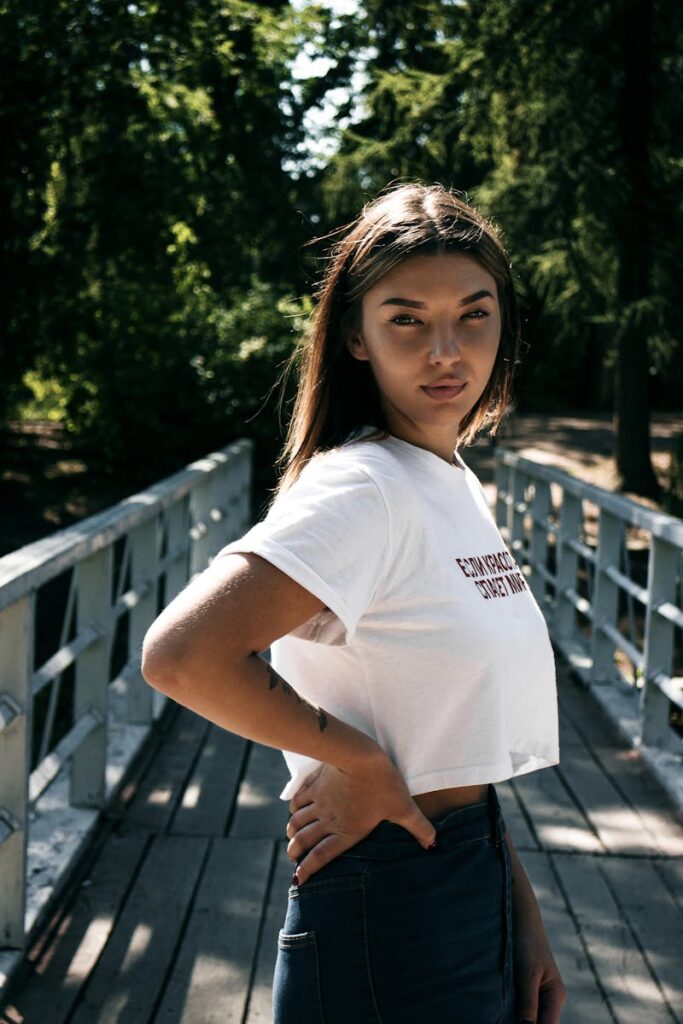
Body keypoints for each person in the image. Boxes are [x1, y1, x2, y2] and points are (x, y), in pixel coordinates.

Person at [141, 182, 567, 1024]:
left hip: (463, 871)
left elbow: (452, 738)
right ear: (354, 336)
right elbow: (182, 655)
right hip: (390, 895)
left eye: (473, 314)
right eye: (406, 318)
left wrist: (516, 906)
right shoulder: (361, 486)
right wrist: (360, 763)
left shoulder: (447, 481)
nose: (445, 350)